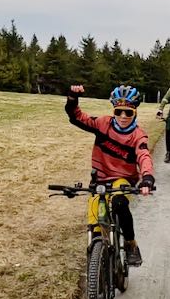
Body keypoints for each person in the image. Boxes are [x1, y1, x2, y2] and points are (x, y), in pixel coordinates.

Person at [65, 84, 155, 266]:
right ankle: (97, 262)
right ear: (114, 111)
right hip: (99, 178)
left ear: (135, 113)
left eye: (128, 113)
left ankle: (130, 244)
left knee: (119, 202)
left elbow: (144, 156)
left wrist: (147, 177)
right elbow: (76, 117)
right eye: (119, 111)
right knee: (95, 223)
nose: (123, 117)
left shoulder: (138, 135)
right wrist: (73, 98)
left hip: (122, 179)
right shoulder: (102, 124)